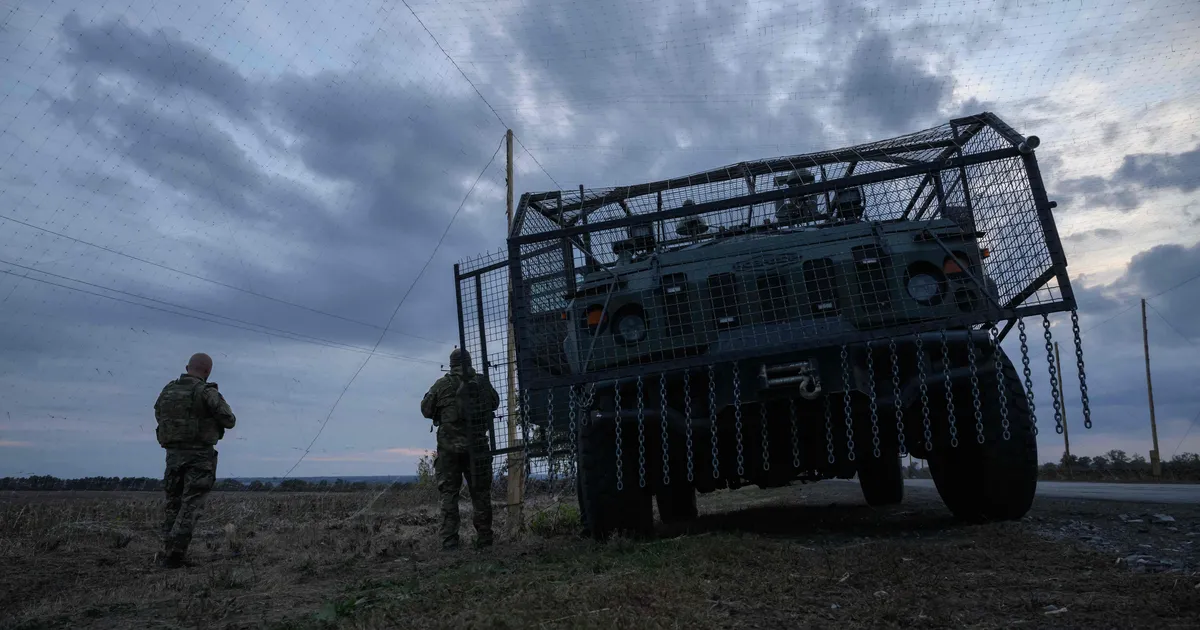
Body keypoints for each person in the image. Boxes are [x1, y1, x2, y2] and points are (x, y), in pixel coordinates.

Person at [153, 352, 236, 568]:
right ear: (208, 371)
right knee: (191, 505)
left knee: (173, 504)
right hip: (199, 456)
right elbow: (229, 420)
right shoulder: (206, 391)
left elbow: (158, 414)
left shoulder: (168, 390)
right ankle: (175, 556)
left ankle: (167, 550)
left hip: (173, 456)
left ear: (187, 366)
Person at [420, 348, 500, 550]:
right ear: (469, 362)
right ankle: (484, 540)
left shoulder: (442, 384)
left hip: (450, 450)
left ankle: (450, 542)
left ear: (451, 364)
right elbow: (495, 402)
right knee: (481, 494)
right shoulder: (482, 383)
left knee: (449, 494)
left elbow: (426, 410)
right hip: (478, 447)